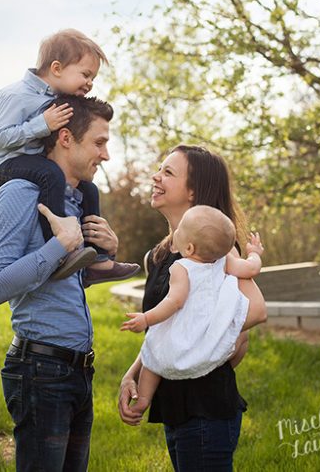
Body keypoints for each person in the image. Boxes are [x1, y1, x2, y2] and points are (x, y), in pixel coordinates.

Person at [0, 94, 121, 472]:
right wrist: (60, 243)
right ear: (64, 138)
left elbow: (64, 280)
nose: (106, 155)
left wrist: (105, 252)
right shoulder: (18, 195)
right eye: (99, 142)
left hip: (79, 371)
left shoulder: (75, 201)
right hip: (41, 373)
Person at [118, 144, 268, 472]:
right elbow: (168, 328)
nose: (156, 177)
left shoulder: (215, 252)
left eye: (168, 172)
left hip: (206, 408)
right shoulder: (158, 256)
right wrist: (133, 374)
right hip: (174, 406)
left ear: (192, 192)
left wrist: (205, 347)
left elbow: (255, 312)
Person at [0, 29, 139, 284]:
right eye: (85, 74)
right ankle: (60, 248)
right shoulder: (15, 95)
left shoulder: (56, 98)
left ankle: (98, 260)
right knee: (51, 174)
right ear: (57, 68)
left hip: (34, 161)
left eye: (93, 78)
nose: (90, 83)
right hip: (6, 164)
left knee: (89, 189)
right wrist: (41, 125)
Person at [120, 205, 265, 414]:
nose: (174, 233)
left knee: (154, 355)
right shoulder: (224, 262)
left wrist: (146, 318)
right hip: (203, 338)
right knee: (157, 354)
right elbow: (252, 268)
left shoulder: (181, 268)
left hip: (182, 333)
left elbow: (174, 302)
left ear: (188, 249)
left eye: (180, 231)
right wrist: (254, 253)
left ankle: (143, 400)